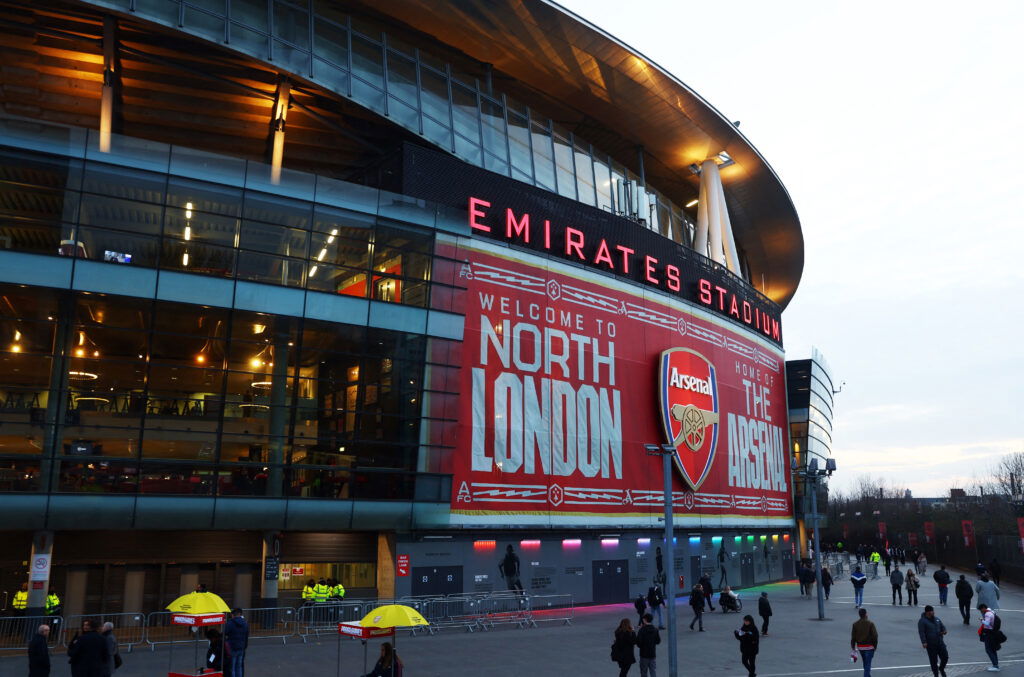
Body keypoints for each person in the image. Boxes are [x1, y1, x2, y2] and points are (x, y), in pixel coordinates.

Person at [917, 605, 948, 677]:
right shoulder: (922, 621)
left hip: (940, 642)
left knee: (945, 657)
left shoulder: (937, 619)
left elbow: (943, 626)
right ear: (928, 612)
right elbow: (921, 632)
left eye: (933, 611)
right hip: (931, 644)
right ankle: (936, 674)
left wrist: (944, 631)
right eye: (932, 611)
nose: (933, 612)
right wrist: (924, 642)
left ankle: (941, 668)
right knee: (933, 661)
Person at [850, 608, 878, 677]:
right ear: (866, 614)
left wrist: (853, 647)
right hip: (869, 647)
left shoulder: (855, 624)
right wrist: (875, 646)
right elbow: (875, 636)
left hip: (860, 647)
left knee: (865, 663)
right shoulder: (870, 624)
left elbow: (853, 637)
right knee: (868, 665)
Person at [978, 603, 1003, 672]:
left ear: (983, 608)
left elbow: (987, 623)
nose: (981, 612)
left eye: (981, 610)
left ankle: (995, 666)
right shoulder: (992, 612)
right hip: (993, 633)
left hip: (989, 633)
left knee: (989, 649)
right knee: (993, 649)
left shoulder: (987, 614)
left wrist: (981, 620)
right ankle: (995, 664)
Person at [225, 608, 249, 677]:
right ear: (240, 614)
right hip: (241, 647)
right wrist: (245, 646)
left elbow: (225, 633)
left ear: (233, 615)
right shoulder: (245, 623)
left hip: (232, 647)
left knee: (232, 668)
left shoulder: (230, 623)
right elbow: (246, 635)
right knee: (239, 667)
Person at [636, 613, 660, 677]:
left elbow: (638, 642)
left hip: (644, 654)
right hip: (652, 653)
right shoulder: (655, 629)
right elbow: (658, 641)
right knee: (653, 671)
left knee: (644, 672)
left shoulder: (642, 630)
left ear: (645, 620)